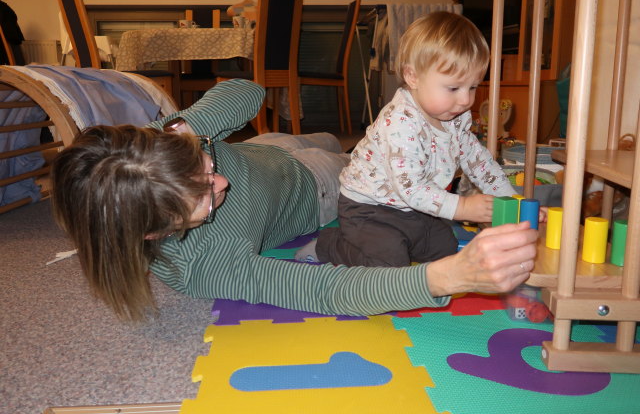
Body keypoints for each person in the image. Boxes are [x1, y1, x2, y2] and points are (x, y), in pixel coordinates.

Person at [51, 78, 539, 323]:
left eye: (205, 164)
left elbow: (248, 90)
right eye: (202, 195)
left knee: (323, 135)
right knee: (352, 155)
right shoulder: (206, 266)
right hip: (315, 188)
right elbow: (324, 292)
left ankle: (314, 141)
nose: (218, 184)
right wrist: (448, 275)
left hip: (265, 150)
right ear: (155, 231)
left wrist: (190, 132)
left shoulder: (166, 148)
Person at [300, 11, 544, 267]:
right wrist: (462, 208)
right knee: (389, 262)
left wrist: (511, 201)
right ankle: (331, 244)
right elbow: (411, 188)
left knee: (445, 249)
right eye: (453, 88)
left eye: (472, 87)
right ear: (413, 77)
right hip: (369, 209)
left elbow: (479, 162)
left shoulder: (455, 116)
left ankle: (400, 241)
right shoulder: (400, 123)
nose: (465, 100)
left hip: (411, 209)